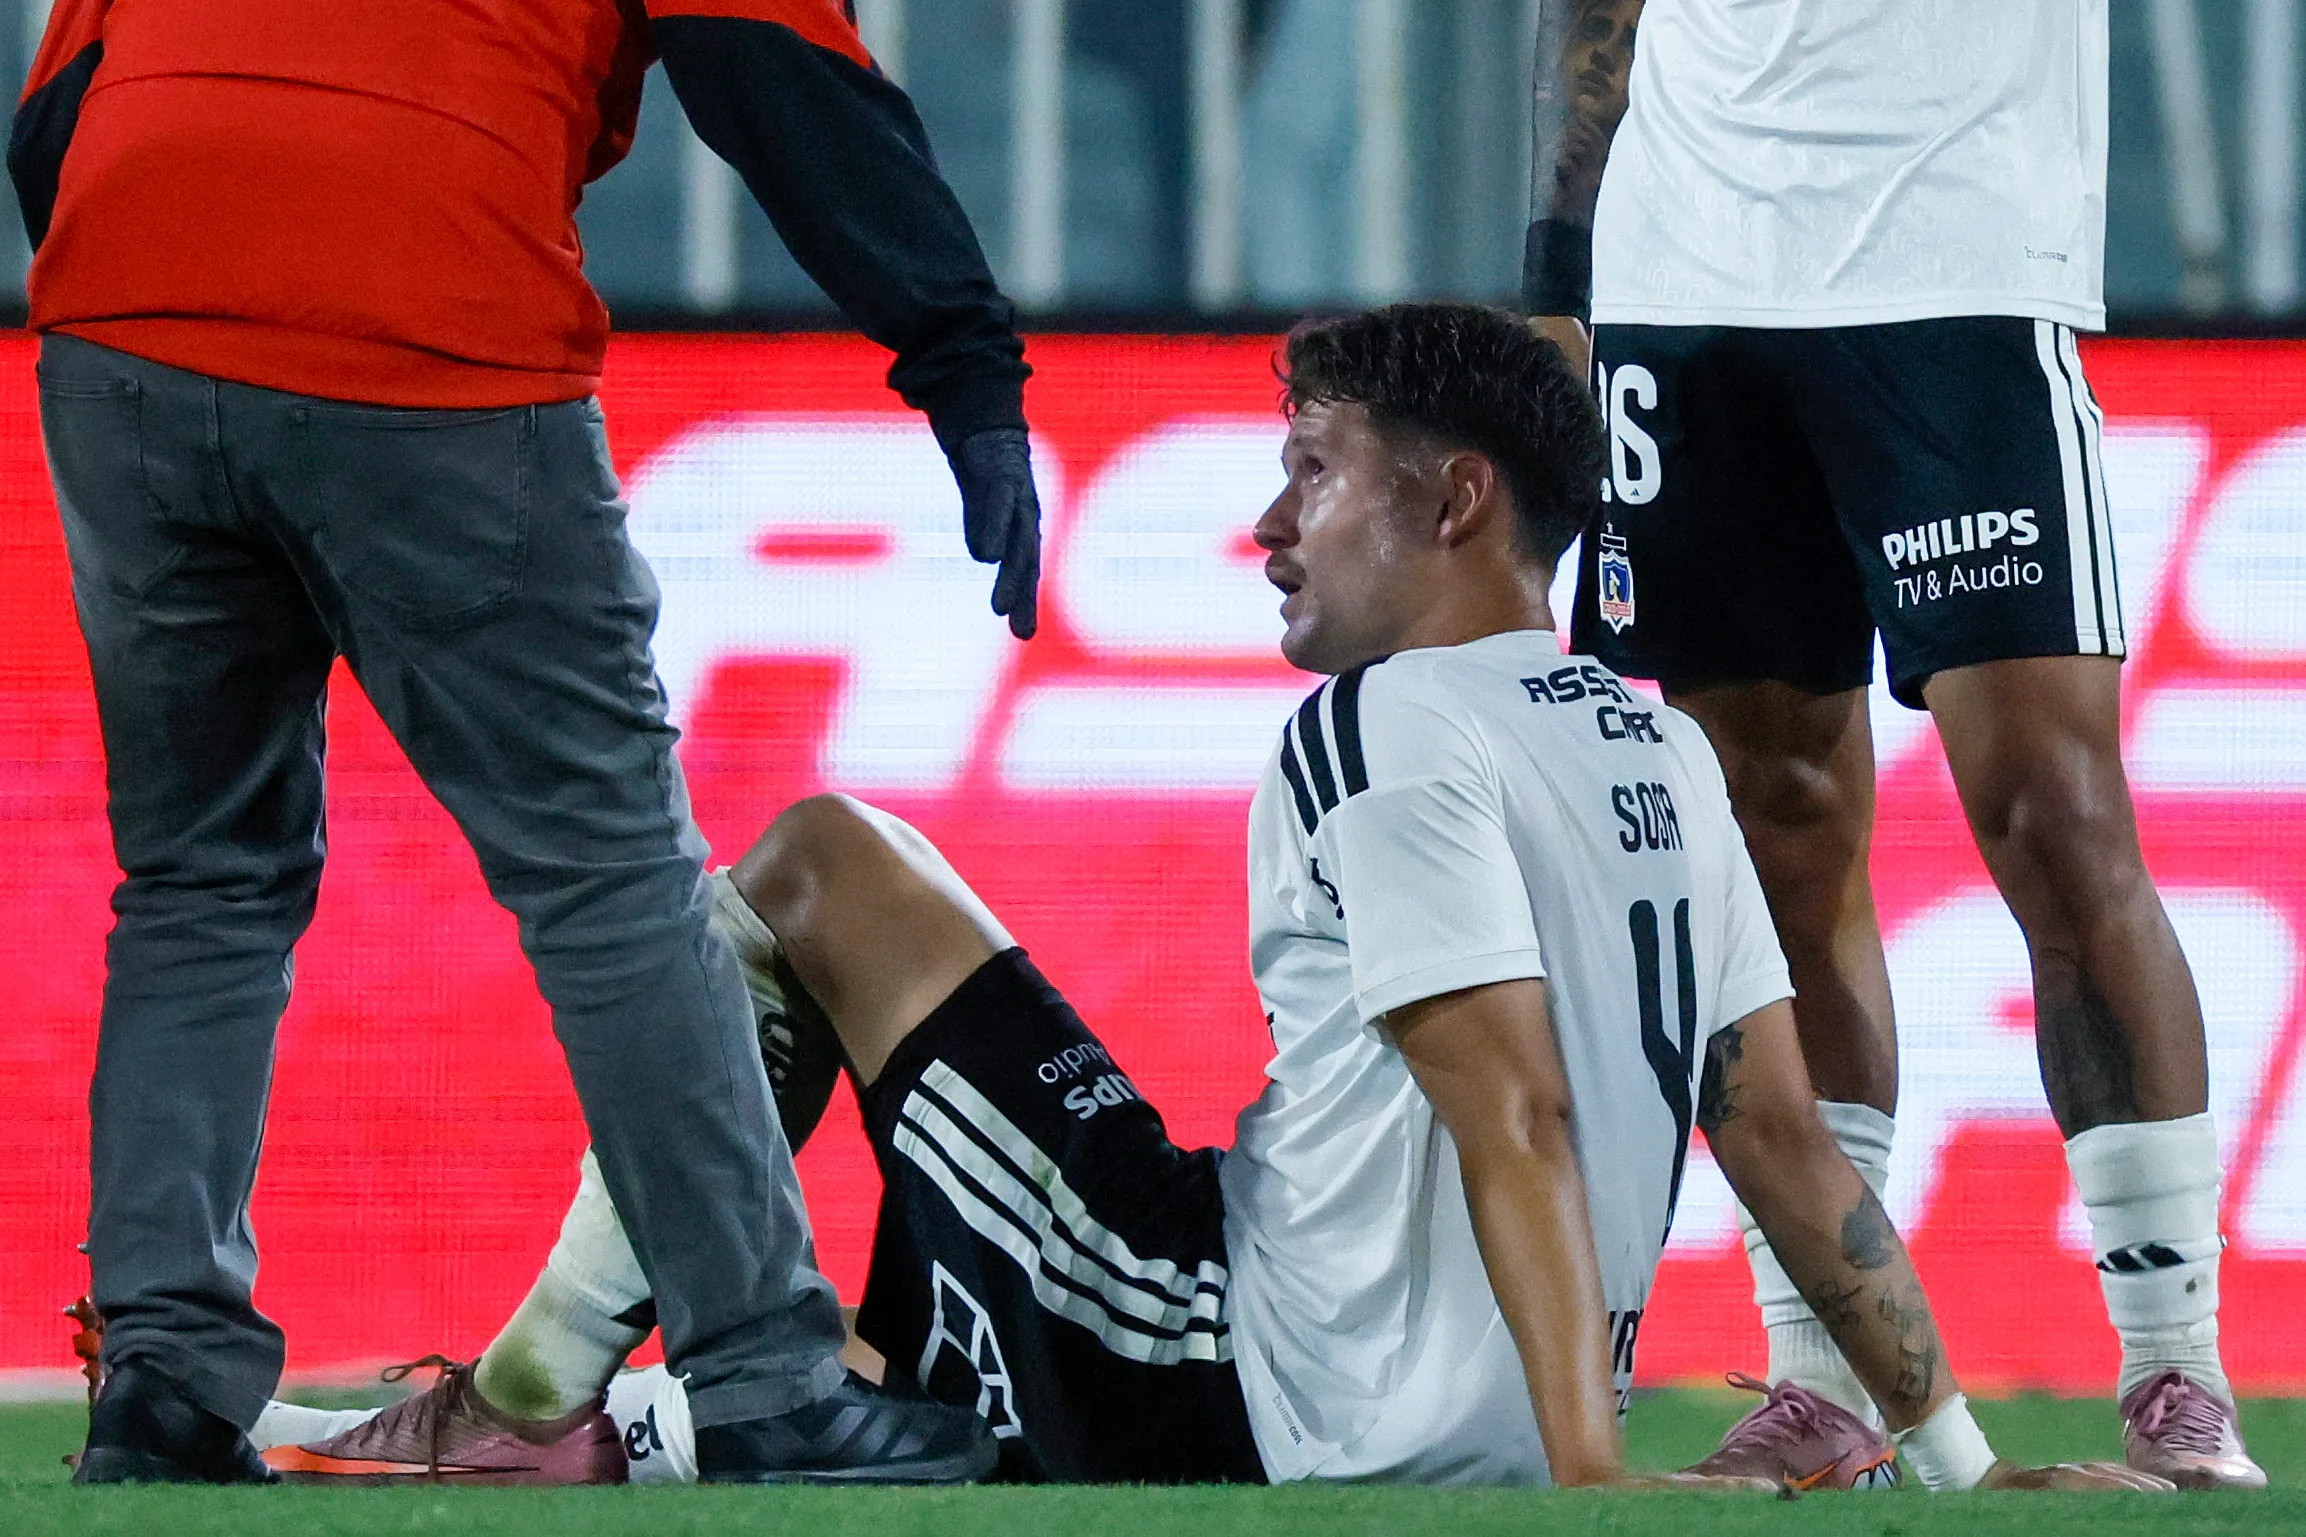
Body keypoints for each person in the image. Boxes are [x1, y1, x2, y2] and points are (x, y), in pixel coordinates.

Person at [249, 306, 2155, 1493]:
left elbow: (1514, 1107)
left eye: (1307, 472)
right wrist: (1961, 1462)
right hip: (1416, 1408)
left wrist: (1595, 1477)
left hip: (1229, 1377)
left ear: (1453, 501)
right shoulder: (1652, 755)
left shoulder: (1379, 732)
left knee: (820, 863)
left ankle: (527, 1396)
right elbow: (1782, 1150)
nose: (1259, 528)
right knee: (901, 1309)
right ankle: (680, 1422)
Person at [20, 0, 1038, 1486]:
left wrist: (180, 308)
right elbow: (781, 74)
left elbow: (53, 114)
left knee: (199, 878)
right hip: (424, 313)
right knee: (610, 876)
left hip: (120, 311)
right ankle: (761, 1374)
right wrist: (960, 357)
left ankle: (162, 1380)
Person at [1523, 0, 2262, 1490]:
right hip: (1683, 268)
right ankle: (1822, 1380)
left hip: (1957, 256)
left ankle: (2175, 1369)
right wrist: (1560, 274)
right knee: (1768, 826)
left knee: (2054, 816)